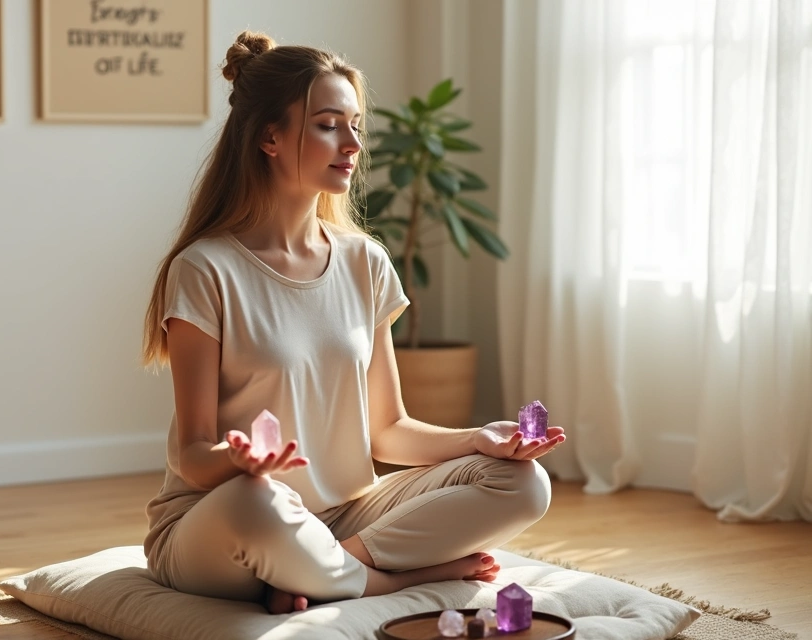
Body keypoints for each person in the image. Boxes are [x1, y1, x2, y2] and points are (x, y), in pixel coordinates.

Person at [139, 30, 566, 615]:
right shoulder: (205, 269)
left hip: (344, 513)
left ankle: (335, 563)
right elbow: (192, 454)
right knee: (257, 501)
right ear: (270, 136)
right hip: (220, 521)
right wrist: (239, 461)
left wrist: (478, 439)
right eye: (328, 124)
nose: (352, 143)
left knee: (522, 484)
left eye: (356, 125)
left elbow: (387, 430)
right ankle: (386, 580)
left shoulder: (364, 261)